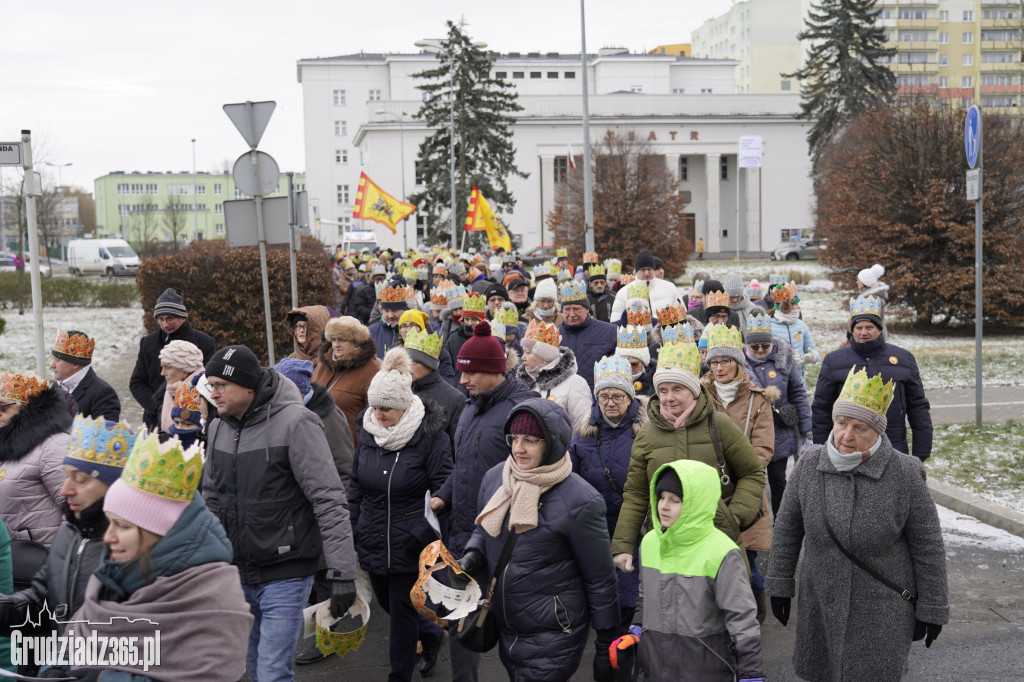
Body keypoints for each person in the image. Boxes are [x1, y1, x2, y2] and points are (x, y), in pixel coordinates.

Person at [768, 368, 949, 681]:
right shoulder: (811, 464)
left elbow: (928, 545)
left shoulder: (905, 473)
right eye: (841, 423)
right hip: (821, 603)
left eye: (859, 427)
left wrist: (932, 608)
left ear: (878, 431)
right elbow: (787, 529)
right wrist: (780, 585)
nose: (846, 435)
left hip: (883, 610)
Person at [202, 345, 358, 682]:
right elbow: (212, 498)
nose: (211, 393)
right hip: (237, 571)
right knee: (256, 667)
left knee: (273, 671)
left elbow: (329, 499)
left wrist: (343, 572)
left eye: (219, 385)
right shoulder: (217, 427)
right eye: (209, 384)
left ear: (247, 387)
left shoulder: (297, 423)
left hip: (285, 570)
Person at [55, 430, 254, 681]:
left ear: (159, 532)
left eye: (123, 526)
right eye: (110, 523)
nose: (108, 537)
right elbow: (73, 638)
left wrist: (102, 677)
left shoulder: (212, 595)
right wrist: (54, 668)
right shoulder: (110, 577)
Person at [461, 399, 620, 682]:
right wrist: (473, 554)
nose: (518, 448)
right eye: (514, 438)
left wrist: (606, 641)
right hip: (508, 627)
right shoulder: (496, 477)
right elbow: (485, 526)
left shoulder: (581, 501)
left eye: (531, 440)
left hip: (555, 633)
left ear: (552, 443)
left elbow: (600, 578)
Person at [430, 321, 535, 682]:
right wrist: (444, 495)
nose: (462, 381)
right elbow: (463, 466)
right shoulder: (469, 408)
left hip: (507, 540)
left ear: (495, 370)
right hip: (464, 535)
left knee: (510, 630)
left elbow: (534, 475)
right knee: (461, 626)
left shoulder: (524, 411)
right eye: (461, 372)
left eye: (471, 372)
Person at [610, 342, 765, 569]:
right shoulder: (646, 435)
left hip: (716, 540)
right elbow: (636, 493)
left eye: (677, 389)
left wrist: (735, 516)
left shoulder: (719, 424)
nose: (669, 398)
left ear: (693, 391)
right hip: (666, 544)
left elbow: (752, 472)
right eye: (663, 390)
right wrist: (623, 545)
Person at [349, 349, 453, 681]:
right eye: (374, 407)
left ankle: (399, 675)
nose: (378, 415)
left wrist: (439, 500)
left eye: (386, 409)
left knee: (402, 617)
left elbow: (447, 479)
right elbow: (355, 487)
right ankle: (433, 633)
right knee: (391, 605)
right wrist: (351, 528)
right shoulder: (368, 433)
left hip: (410, 541)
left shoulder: (428, 435)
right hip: (373, 536)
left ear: (404, 406)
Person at [617, 461, 765, 682]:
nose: (664, 506)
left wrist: (751, 673)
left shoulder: (721, 552)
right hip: (656, 670)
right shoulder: (649, 543)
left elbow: (742, 621)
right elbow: (645, 595)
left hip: (705, 671)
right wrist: (637, 629)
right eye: (662, 497)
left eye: (675, 500)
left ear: (697, 504)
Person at [0, 416, 138, 650]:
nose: (65, 490)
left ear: (117, 486)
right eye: (66, 476)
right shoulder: (71, 533)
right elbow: (40, 605)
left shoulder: (138, 548)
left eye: (81, 480)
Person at [569, 356, 646, 653]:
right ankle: (607, 648)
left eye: (617, 396)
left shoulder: (645, 431)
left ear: (629, 398)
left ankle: (628, 648)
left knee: (629, 593)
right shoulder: (583, 435)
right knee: (599, 592)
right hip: (595, 527)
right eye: (604, 396)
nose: (610, 403)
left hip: (634, 525)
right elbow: (571, 477)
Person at [701, 323, 774, 624]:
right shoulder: (700, 396)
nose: (719, 368)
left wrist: (741, 473)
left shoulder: (758, 399)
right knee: (710, 558)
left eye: (725, 361)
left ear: (738, 363)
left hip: (745, 488)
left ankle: (756, 605)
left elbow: (764, 448)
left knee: (746, 561)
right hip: (706, 489)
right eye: (714, 362)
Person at [812, 295, 932, 460]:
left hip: (894, 448)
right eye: (858, 328)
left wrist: (921, 451)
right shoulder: (833, 361)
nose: (863, 333)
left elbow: (918, 407)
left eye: (869, 327)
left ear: (879, 329)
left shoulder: (904, 359)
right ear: (852, 330)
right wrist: (821, 451)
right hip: (848, 449)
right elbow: (821, 410)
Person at [743, 316, 811, 518]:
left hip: (779, 431)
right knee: (753, 481)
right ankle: (756, 525)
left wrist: (806, 425)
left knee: (778, 479)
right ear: (748, 346)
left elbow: (798, 392)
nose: (761, 351)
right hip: (751, 433)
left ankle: (782, 522)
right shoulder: (740, 366)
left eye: (766, 346)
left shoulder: (783, 360)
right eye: (755, 347)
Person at [0, 372, 71, 547]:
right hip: (14, 560)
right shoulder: (7, 443)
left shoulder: (54, 445)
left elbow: (74, 511)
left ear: (26, 408)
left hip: (40, 562)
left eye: (2, 407)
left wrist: (56, 561)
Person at [129, 288, 216, 430]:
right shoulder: (148, 343)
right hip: (154, 421)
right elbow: (137, 382)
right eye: (161, 319)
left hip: (190, 421)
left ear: (183, 317)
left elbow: (207, 382)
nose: (165, 324)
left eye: (169, 319)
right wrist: (155, 407)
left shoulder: (203, 342)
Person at [275, 359, 353, 489]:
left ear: (297, 391)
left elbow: (343, 469)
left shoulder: (329, 418)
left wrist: (340, 507)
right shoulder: (285, 413)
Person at [515, 319, 592, 436]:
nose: (523, 358)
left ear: (545, 356)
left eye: (528, 353)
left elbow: (581, 431)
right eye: (523, 352)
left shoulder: (575, 383)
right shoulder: (522, 384)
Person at [312, 316, 381, 445]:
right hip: (318, 444)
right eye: (333, 339)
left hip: (350, 450)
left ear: (357, 341)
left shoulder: (372, 370)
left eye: (343, 339)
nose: (336, 344)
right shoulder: (322, 364)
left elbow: (378, 417)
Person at [404, 328, 465, 451]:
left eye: (414, 362)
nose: (408, 367)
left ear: (429, 364)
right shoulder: (401, 391)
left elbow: (457, 448)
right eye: (406, 361)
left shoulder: (456, 400)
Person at [558, 280, 618, 391]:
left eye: (576, 309)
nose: (571, 314)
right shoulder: (553, 334)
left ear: (587, 309)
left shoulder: (610, 332)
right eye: (567, 310)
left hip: (598, 398)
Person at [49, 330, 120, 421]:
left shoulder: (103, 394)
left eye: (57, 360)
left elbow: (105, 434)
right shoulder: (56, 387)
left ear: (75, 364)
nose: (52, 365)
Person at [767, 281, 819, 382]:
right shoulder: (769, 326)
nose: (799, 307)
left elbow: (813, 349)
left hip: (799, 381)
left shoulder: (801, 325)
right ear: (786, 307)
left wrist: (813, 357)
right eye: (796, 304)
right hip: (777, 381)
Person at [610, 250, 680, 321]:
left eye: (649, 269)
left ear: (653, 269)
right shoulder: (623, 292)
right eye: (643, 270)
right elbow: (616, 322)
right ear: (637, 271)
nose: (647, 273)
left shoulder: (669, 288)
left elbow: (681, 315)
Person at [157, 340, 205, 436]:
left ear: (185, 369)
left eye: (167, 367)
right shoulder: (171, 389)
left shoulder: (203, 392)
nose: (162, 373)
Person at [399, 309, 456, 386]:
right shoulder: (395, 352)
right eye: (404, 326)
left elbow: (448, 380)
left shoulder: (438, 352)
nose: (408, 330)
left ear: (422, 329)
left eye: (413, 325)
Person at [369, 279, 409, 359]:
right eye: (386, 311)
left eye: (394, 310)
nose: (390, 315)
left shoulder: (415, 330)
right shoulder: (371, 332)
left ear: (404, 310)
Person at [615, 325, 656, 397]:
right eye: (625, 365)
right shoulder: (612, 381)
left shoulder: (654, 381)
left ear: (643, 364)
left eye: (634, 364)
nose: (629, 368)